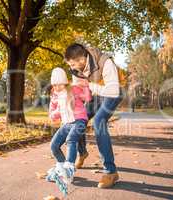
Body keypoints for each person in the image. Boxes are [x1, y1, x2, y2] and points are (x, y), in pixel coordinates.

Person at [64, 43, 126, 188]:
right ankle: (83, 152)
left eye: (73, 64)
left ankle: (111, 172)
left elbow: (113, 91)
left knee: (99, 121)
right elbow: (78, 91)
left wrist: (89, 86)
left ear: (82, 60)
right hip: (96, 93)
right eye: (70, 64)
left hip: (113, 92)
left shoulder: (105, 62)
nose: (71, 67)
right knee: (78, 118)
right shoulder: (75, 69)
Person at [47, 67, 92, 184]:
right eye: (54, 85)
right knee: (53, 146)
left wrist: (86, 85)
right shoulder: (55, 96)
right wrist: (55, 113)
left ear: (65, 82)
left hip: (79, 121)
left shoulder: (73, 89)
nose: (57, 87)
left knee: (71, 140)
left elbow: (87, 98)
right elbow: (54, 113)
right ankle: (62, 169)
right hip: (66, 124)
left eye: (59, 84)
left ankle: (69, 169)